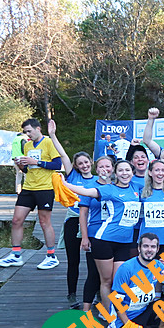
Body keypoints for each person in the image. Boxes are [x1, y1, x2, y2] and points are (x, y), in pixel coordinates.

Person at [63, 159, 142, 312]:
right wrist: (65, 184)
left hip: (125, 241)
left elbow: (156, 185)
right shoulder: (109, 189)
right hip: (105, 239)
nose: (124, 173)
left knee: (118, 280)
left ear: (132, 173)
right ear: (115, 174)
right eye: (121, 170)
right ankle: (108, 314)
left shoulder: (136, 187)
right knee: (106, 280)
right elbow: (86, 192)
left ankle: (116, 311)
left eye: (127, 170)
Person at [0, 118, 61, 270]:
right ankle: (16, 255)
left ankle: (51, 256)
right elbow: (27, 169)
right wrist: (21, 165)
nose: (28, 134)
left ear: (38, 129)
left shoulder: (49, 142)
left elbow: (57, 164)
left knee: (44, 222)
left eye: (29, 131)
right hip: (28, 187)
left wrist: (36, 162)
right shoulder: (27, 145)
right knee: (16, 220)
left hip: (45, 188)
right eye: (25, 132)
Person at [47, 119, 95, 305]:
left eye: (86, 162)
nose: (83, 165)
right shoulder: (73, 176)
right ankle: (72, 294)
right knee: (73, 260)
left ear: (91, 162)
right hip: (74, 219)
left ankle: (96, 293)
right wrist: (52, 135)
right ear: (76, 166)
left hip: (92, 222)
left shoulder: (98, 179)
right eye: (80, 163)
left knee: (93, 262)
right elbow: (63, 155)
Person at [78, 156, 114, 313]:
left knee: (111, 276)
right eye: (101, 167)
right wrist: (84, 237)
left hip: (113, 235)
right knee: (93, 273)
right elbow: (83, 213)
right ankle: (86, 310)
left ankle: (107, 308)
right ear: (96, 169)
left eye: (108, 166)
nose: (104, 170)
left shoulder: (117, 186)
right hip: (95, 234)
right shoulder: (89, 187)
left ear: (113, 169)